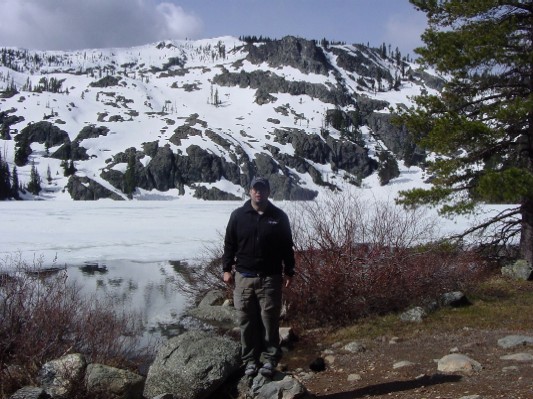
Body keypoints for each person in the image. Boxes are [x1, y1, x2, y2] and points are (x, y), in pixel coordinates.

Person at [222, 176, 295, 378]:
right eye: (255, 189)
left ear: (268, 192)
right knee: (246, 320)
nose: (258, 192)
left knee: (269, 320)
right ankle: (250, 361)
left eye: (262, 189)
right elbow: (229, 244)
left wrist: (289, 270)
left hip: (270, 278)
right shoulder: (238, 216)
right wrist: (226, 269)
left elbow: (287, 246)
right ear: (249, 191)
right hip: (243, 277)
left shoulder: (279, 217)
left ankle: (270, 359)